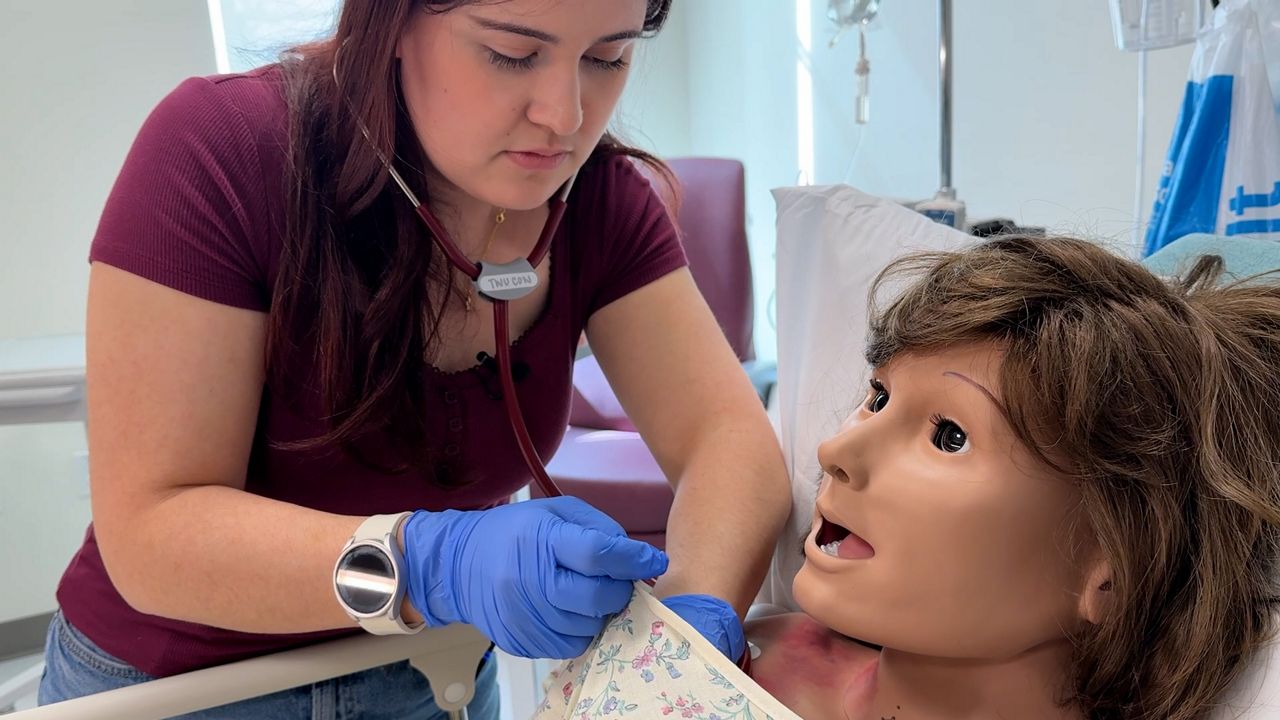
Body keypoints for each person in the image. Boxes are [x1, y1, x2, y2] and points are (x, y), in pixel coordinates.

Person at [37, 1, 790, 717]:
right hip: (180, 686)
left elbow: (725, 439)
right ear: (389, 19)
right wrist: (431, 561)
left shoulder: (603, 202)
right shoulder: (221, 150)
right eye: (511, 52)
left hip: (435, 678)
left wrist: (688, 633)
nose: (565, 116)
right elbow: (153, 533)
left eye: (608, 56)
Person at [742, 236, 1280, 720]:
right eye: (878, 397)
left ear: (1112, 571)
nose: (835, 451)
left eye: (950, 436)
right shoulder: (750, 656)